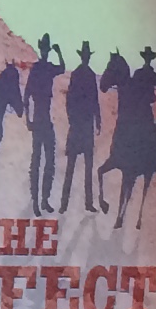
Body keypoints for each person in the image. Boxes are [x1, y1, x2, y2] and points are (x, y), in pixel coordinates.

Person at [59, 38, 102, 213]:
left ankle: (85, 203)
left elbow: (94, 100)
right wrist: (73, 119)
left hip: (83, 126)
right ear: (84, 57)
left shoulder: (87, 74)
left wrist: (97, 119)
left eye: (87, 56)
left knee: (86, 166)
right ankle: (65, 203)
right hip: (80, 126)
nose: (86, 58)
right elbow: (70, 99)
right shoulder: (80, 74)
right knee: (73, 166)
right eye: (85, 56)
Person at [24, 35, 63, 215]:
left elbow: (61, 68)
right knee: (38, 161)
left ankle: (44, 199)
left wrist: (59, 53)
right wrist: (28, 120)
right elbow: (26, 96)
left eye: (47, 49)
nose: (45, 52)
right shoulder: (40, 69)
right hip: (40, 120)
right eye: (45, 49)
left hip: (44, 120)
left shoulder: (45, 68)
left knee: (47, 162)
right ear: (42, 50)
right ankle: (36, 201)